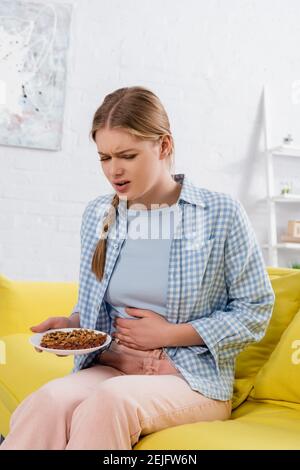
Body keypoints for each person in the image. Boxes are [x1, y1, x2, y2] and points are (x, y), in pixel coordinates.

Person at [0, 86, 275, 450]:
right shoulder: (99, 213)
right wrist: (72, 326)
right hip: (111, 364)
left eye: (127, 155)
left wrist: (169, 334)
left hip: (188, 377)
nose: (114, 170)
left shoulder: (219, 213)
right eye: (104, 157)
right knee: (46, 404)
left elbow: (255, 310)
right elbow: (96, 306)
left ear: (163, 146)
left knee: (109, 405)